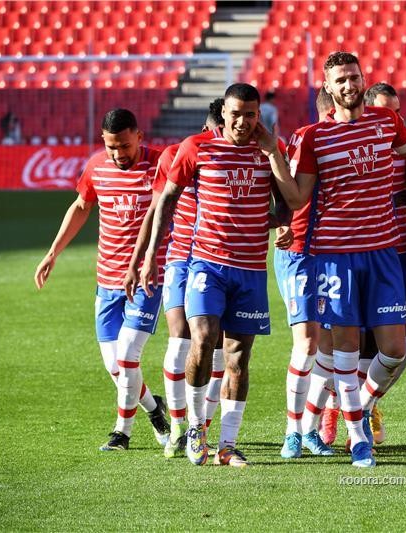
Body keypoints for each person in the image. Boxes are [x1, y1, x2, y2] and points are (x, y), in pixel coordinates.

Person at [274, 51, 406, 467]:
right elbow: (297, 197)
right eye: (341, 80)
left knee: (392, 349)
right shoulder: (313, 137)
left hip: (385, 253)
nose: (350, 85)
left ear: (363, 79)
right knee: (344, 350)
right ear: (329, 88)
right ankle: (357, 439)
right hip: (335, 258)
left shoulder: (386, 122)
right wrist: (269, 154)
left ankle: (359, 408)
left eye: (355, 76)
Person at [141, 83, 288, 468]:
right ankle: (195, 428)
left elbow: (287, 204)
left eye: (250, 114)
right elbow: (166, 200)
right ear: (223, 111)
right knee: (203, 340)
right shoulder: (196, 147)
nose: (242, 121)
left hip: (251, 269)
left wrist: (266, 221)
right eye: (235, 113)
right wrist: (152, 256)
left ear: (260, 115)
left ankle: (227, 443)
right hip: (206, 264)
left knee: (239, 358)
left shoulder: (268, 150)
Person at [34, 108, 171, 452]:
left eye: (124, 146)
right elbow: (81, 206)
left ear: (139, 137)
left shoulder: (159, 165)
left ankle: (121, 433)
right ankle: (155, 411)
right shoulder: (97, 166)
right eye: (112, 147)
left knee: (126, 357)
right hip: (107, 279)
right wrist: (53, 252)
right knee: (116, 367)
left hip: (145, 280)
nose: (118, 154)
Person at [123, 98, 228, 458]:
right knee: (181, 337)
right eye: (215, 131)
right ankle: (180, 426)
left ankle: (203, 426)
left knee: (218, 344)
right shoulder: (177, 155)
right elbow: (156, 209)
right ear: (207, 129)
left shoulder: (242, 154)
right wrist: (142, 258)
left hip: (226, 260)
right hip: (182, 258)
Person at [274, 87, 337, 459]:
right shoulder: (307, 137)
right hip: (300, 252)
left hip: (337, 256)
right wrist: (283, 221)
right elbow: (281, 184)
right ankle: (292, 432)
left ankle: (310, 429)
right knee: (309, 343)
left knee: (334, 347)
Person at [359, 81, 406, 445]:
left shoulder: (405, 146)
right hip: (355, 251)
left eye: (397, 110)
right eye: (385, 109)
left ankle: (367, 403)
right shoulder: (357, 144)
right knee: (354, 339)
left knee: (400, 344)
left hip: (400, 253)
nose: (392, 117)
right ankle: (346, 411)